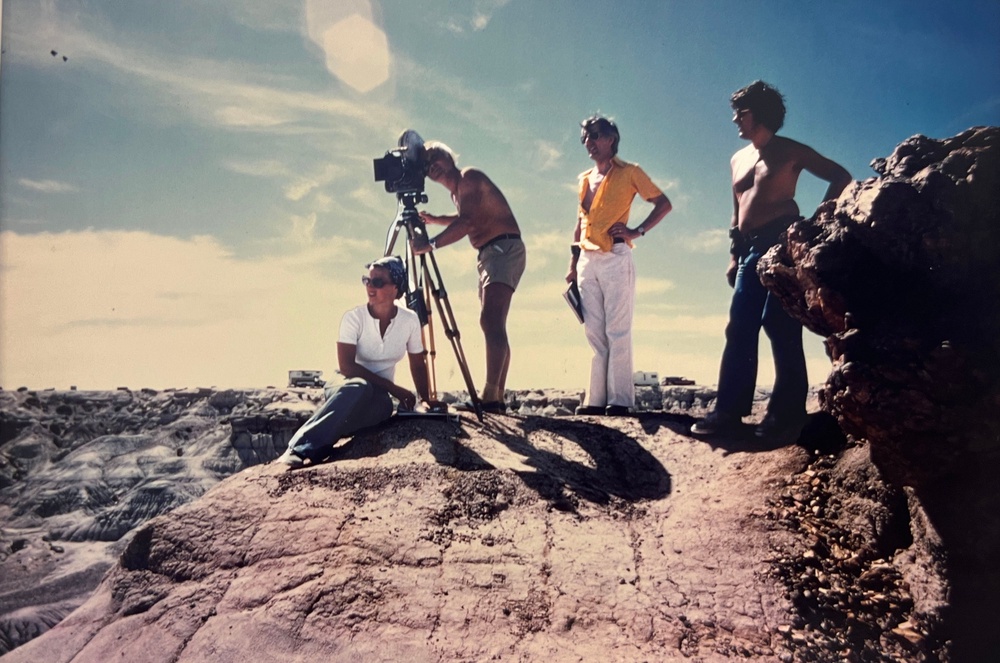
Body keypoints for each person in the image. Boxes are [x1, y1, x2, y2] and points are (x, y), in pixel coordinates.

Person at [691, 81, 852, 443]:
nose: (735, 119)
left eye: (741, 112)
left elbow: (840, 176)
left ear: (760, 113)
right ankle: (728, 412)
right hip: (749, 247)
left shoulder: (790, 150)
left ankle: (786, 413)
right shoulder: (738, 158)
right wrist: (734, 254)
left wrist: (814, 225)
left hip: (782, 241)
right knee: (740, 325)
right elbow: (737, 210)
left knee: (778, 323)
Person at [277, 256, 431, 468]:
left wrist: (425, 399)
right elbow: (347, 367)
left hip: (376, 396)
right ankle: (298, 448)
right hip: (345, 385)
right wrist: (393, 388)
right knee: (359, 387)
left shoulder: (410, 320)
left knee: (383, 407)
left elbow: (417, 361)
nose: (370, 287)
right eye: (367, 281)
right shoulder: (353, 318)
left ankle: (327, 440)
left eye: (378, 282)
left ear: (396, 288)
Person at [567, 115, 673, 416]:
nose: (590, 143)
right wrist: (572, 264)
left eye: (596, 135)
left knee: (618, 330)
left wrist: (636, 231)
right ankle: (596, 400)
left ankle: (620, 400)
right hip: (587, 259)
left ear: (612, 137)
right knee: (594, 332)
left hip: (615, 256)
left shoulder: (630, 172)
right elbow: (580, 223)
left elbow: (663, 204)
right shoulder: (584, 178)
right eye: (586, 137)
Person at [411, 141, 526, 414]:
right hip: (493, 252)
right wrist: (436, 219)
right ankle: (495, 396)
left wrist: (431, 244)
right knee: (494, 323)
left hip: (501, 248)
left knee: (490, 320)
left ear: (449, 156)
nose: (432, 166)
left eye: (435, 157)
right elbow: (463, 215)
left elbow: (468, 222)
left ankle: (489, 396)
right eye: (427, 165)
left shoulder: (469, 178)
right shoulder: (458, 193)